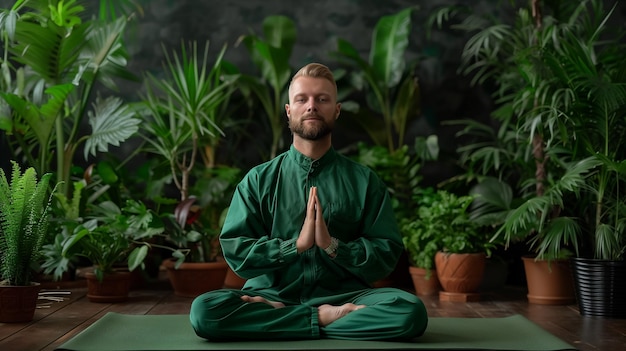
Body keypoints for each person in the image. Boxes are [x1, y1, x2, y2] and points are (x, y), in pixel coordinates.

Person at [189, 63, 428, 341]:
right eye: (302, 99)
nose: (311, 106)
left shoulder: (364, 181)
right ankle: (323, 318)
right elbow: (236, 251)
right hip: (271, 294)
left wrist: (334, 247)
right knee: (204, 312)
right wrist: (295, 246)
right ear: (289, 111)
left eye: (322, 99)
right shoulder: (258, 180)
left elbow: (385, 255)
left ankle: (288, 320)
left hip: (347, 295)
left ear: (336, 110)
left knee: (410, 312)